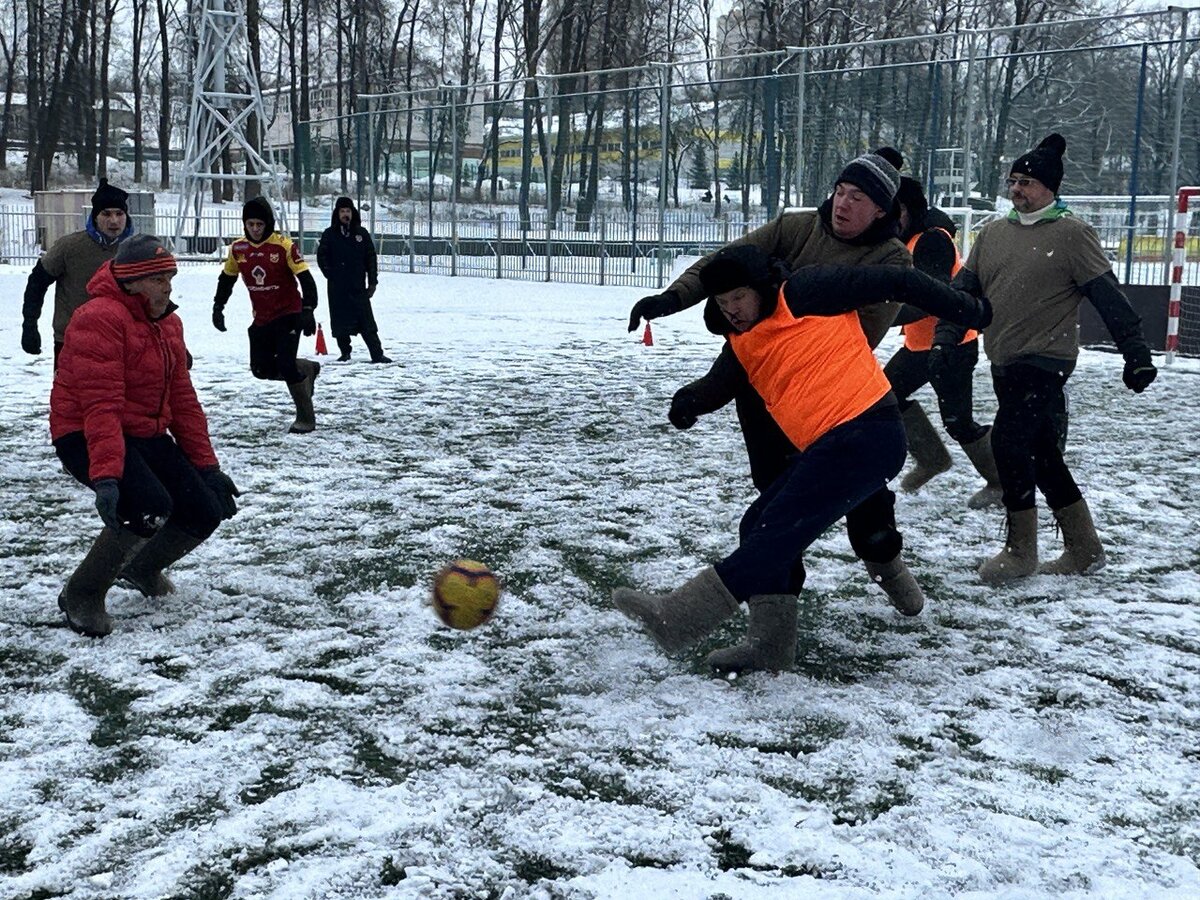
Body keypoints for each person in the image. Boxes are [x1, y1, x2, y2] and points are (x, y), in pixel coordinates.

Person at [614, 245, 991, 675]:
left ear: (760, 286)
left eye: (739, 297)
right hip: (831, 445)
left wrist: (969, 310)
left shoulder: (805, 291)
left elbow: (899, 281)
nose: (732, 310)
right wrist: (687, 403)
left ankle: (679, 618)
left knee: (776, 534)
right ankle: (770, 647)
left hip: (868, 431)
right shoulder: (742, 340)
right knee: (758, 524)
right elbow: (719, 384)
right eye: (722, 303)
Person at [629, 148, 926, 615]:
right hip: (765, 393)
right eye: (840, 192)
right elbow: (724, 264)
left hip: (835, 402)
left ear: (882, 210)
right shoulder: (795, 226)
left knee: (868, 516)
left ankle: (890, 571)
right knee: (773, 514)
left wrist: (786, 300)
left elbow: (861, 336)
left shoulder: (890, 258)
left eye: (858, 198)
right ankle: (773, 626)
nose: (842, 205)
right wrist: (672, 300)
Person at [937, 134, 1157, 583]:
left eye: (1028, 181)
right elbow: (965, 291)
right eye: (1014, 180)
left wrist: (1134, 351)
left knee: (1009, 441)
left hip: (1047, 358)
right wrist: (945, 335)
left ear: (1050, 188)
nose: (1018, 189)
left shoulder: (1073, 234)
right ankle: (1084, 549)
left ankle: (1021, 551)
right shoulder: (994, 233)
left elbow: (1107, 296)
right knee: (1042, 455)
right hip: (1003, 356)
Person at [49, 235, 240, 637]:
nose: (167, 286)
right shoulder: (98, 317)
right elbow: (100, 405)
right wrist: (107, 478)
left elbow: (183, 400)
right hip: (85, 431)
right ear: (132, 282)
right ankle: (82, 592)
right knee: (146, 505)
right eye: (157, 279)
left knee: (204, 509)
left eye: (169, 276)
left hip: (142, 431)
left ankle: (142, 567)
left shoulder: (168, 323)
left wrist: (208, 468)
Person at [883, 176, 1002, 508]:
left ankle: (1000, 482)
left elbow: (929, 296)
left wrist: (884, 316)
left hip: (951, 343)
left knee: (958, 421)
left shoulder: (931, 241)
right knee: (885, 396)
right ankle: (932, 459)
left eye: (893, 210)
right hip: (920, 346)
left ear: (906, 209)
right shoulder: (906, 239)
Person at [212, 196, 323, 433]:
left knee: (285, 363)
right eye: (250, 224)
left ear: (268, 224)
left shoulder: (283, 246)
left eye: (259, 225)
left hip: (288, 313)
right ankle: (306, 369)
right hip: (262, 317)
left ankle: (306, 418)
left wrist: (308, 310)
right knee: (260, 370)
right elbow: (227, 279)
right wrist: (218, 307)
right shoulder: (238, 249)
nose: (254, 229)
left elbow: (306, 279)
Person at [21, 179, 133, 365]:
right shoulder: (70, 247)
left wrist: (173, 344)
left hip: (124, 341)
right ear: (95, 216)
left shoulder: (136, 250)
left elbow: (155, 297)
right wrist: (29, 323)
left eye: (119, 213)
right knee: (70, 394)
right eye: (106, 214)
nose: (114, 221)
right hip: (73, 341)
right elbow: (37, 282)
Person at [316, 196, 391, 363]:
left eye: (348, 211)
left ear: (353, 213)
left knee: (367, 322)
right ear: (337, 214)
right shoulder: (330, 234)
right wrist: (331, 274)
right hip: (337, 288)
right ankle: (345, 352)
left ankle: (377, 354)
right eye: (342, 211)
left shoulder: (361, 234)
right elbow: (322, 257)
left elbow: (370, 258)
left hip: (358, 287)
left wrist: (372, 282)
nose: (345, 214)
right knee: (340, 322)